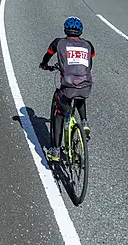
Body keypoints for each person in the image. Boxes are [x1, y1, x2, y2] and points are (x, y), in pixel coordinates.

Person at [38, 16, 95, 162]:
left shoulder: (59, 43)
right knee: (80, 95)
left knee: (59, 113)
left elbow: (48, 55)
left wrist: (44, 65)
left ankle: (56, 150)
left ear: (65, 30)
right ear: (80, 31)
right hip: (85, 84)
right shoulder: (88, 45)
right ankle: (84, 122)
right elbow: (90, 62)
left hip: (68, 86)